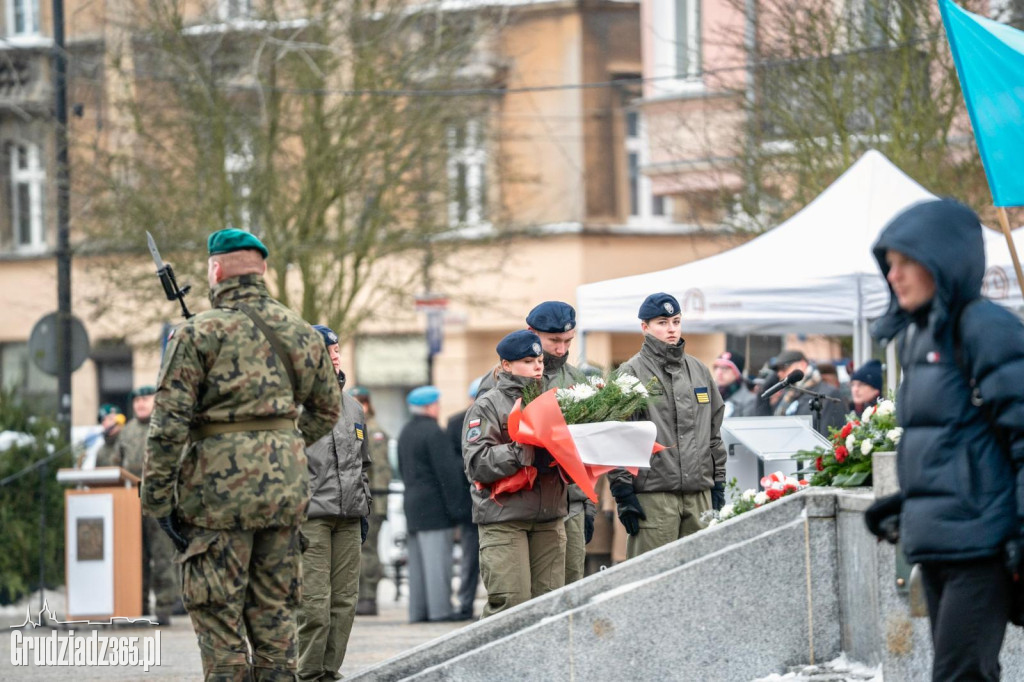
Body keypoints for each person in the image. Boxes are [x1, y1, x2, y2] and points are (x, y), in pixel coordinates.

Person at [142, 228, 341, 681]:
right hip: (284, 495)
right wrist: (282, 446)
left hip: (216, 499)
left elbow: (167, 426)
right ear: (263, 270)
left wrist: (156, 500)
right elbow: (328, 409)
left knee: (219, 620)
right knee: (276, 623)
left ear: (215, 270)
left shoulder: (196, 333)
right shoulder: (301, 332)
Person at [864, 198, 1024, 682]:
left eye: (907, 261)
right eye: (890, 264)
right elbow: (950, 442)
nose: (894, 276)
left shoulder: (985, 328)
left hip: (983, 545)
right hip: (939, 543)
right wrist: (906, 504)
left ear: (945, 261)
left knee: (960, 676)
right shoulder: (920, 337)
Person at [608, 293, 726, 559]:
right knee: (651, 579)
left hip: (699, 493)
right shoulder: (630, 373)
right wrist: (622, 492)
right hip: (654, 496)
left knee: (700, 577)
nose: (671, 329)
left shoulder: (698, 370)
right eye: (662, 322)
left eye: (676, 321)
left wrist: (718, 483)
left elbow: (713, 433)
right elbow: (618, 439)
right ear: (645, 327)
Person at [463, 330, 568, 617]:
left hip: (549, 517)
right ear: (506, 365)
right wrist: (523, 449)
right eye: (527, 360)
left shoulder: (554, 400)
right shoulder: (487, 405)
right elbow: (476, 464)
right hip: (505, 518)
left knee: (550, 609)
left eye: (539, 360)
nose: (537, 366)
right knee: (510, 607)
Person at [297, 324, 371, 681]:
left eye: (338, 349)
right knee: (313, 604)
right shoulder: (295, 406)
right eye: (329, 351)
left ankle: (329, 672)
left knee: (344, 602)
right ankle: (305, 673)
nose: (336, 355)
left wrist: (365, 503)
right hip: (311, 517)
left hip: (349, 515)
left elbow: (363, 462)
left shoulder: (353, 407)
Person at [397, 385, 469, 623]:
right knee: (438, 562)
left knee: (417, 565)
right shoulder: (434, 433)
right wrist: (458, 508)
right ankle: (440, 611)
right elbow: (447, 473)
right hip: (435, 507)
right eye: (437, 404)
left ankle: (418, 611)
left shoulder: (406, 431)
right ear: (430, 406)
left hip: (412, 505)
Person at [112, 386, 181, 624]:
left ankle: (164, 608)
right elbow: (116, 465)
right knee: (135, 556)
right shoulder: (126, 432)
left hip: (159, 500)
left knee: (162, 556)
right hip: (130, 503)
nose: (140, 404)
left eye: (145, 399)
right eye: (137, 400)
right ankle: (137, 605)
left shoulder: (164, 426)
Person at [350, 386, 392, 618]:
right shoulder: (356, 429)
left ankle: (367, 597)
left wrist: (381, 505)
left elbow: (382, 471)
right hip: (359, 500)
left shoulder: (373, 431)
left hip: (371, 501)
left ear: (366, 405)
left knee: (367, 550)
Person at [445, 378, 483, 620]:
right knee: (470, 559)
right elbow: (450, 464)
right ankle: (466, 605)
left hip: (499, 498)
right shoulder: (455, 423)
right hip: (470, 501)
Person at [772, 349, 847, 435]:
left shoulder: (828, 393)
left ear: (802, 364)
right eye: (778, 370)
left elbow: (830, 434)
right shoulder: (789, 394)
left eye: (784, 368)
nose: (779, 374)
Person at [713, 350, 757, 418]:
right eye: (716, 367)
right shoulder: (710, 395)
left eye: (725, 368)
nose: (719, 373)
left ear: (737, 373)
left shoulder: (749, 401)